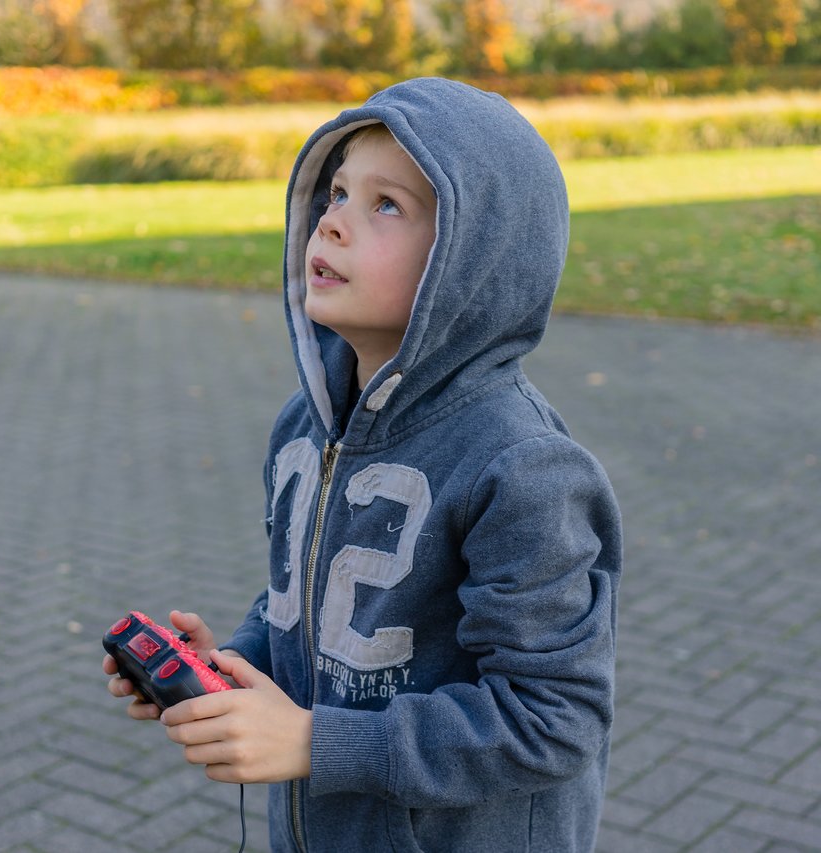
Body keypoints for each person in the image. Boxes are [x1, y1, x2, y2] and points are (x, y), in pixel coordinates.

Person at [104, 77, 622, 852]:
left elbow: (551, 717)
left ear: (473, 261)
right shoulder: (305, 426)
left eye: (387, 205)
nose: (334, 222)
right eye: (337, 191)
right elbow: (313, 592)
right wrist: (233, 671)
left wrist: (314, 742)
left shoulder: (522, 467)